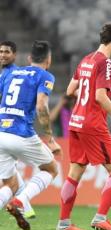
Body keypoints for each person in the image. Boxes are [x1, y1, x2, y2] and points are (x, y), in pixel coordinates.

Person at [56, 22, 111, 230]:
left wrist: (85, 98)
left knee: (75, 172)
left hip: (76, 121)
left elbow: (71, 90)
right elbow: (100, 96)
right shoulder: (105, 63)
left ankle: (63, 223)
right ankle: (100, 218)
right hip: (92, 124)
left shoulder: (86, 59)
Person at [0, 40, 61, 230]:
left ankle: (18, 199)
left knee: (10, 183)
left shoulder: (10, 73)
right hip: (22, 133)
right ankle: (21, 200)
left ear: (28, 58)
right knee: (51, 169)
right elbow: (41, 106)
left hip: (1, 133)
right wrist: (49, 137)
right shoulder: (45, 75)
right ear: (49, 60)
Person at [0, 40, 37, 219]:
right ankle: (26, 209)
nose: (3, 55)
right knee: (12, 175)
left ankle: (24, 207)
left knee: (10, 178)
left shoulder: (11, 74)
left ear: (14, 55)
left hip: (8, 129)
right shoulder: (7, 74)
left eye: (7, 52)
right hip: (10, 130)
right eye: (0, 52)